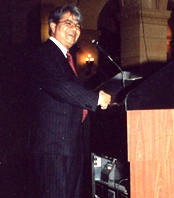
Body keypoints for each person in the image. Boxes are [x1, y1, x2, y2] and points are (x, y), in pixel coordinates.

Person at [25, 5, 111, 198]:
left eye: (78, 25)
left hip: (71, 146)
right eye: (68, 23)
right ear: (53, 26)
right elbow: (60, 86)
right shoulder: (44, 54)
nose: (75, 28)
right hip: (54, 148)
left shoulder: (66, 58)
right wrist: (95, 98)